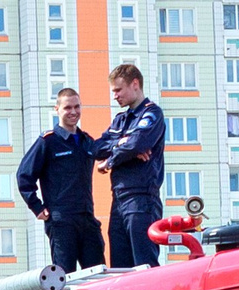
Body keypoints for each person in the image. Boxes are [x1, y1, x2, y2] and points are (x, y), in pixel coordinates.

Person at [18, 86, 107, 273]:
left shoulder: (85, 141)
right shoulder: (48, 141)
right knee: (65, 277)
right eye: (67, 108)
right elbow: (24, 175)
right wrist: (36, 207)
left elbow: (106, 150)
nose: (73, 112)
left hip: (86, 217)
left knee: (98, 274)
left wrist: (134, 149)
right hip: (61, 221)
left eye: (77, 107)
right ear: (56, 109)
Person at [97, 63, 166, 269]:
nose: (115, 96)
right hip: (118, 200)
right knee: (120, 267)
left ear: (135, 84)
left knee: (143, 265)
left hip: (141, 198)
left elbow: (138, 143)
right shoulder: (120, 120)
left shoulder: (151, 113)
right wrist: (122, 144)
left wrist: (111, 160)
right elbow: (97, 148)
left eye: (118, 90)